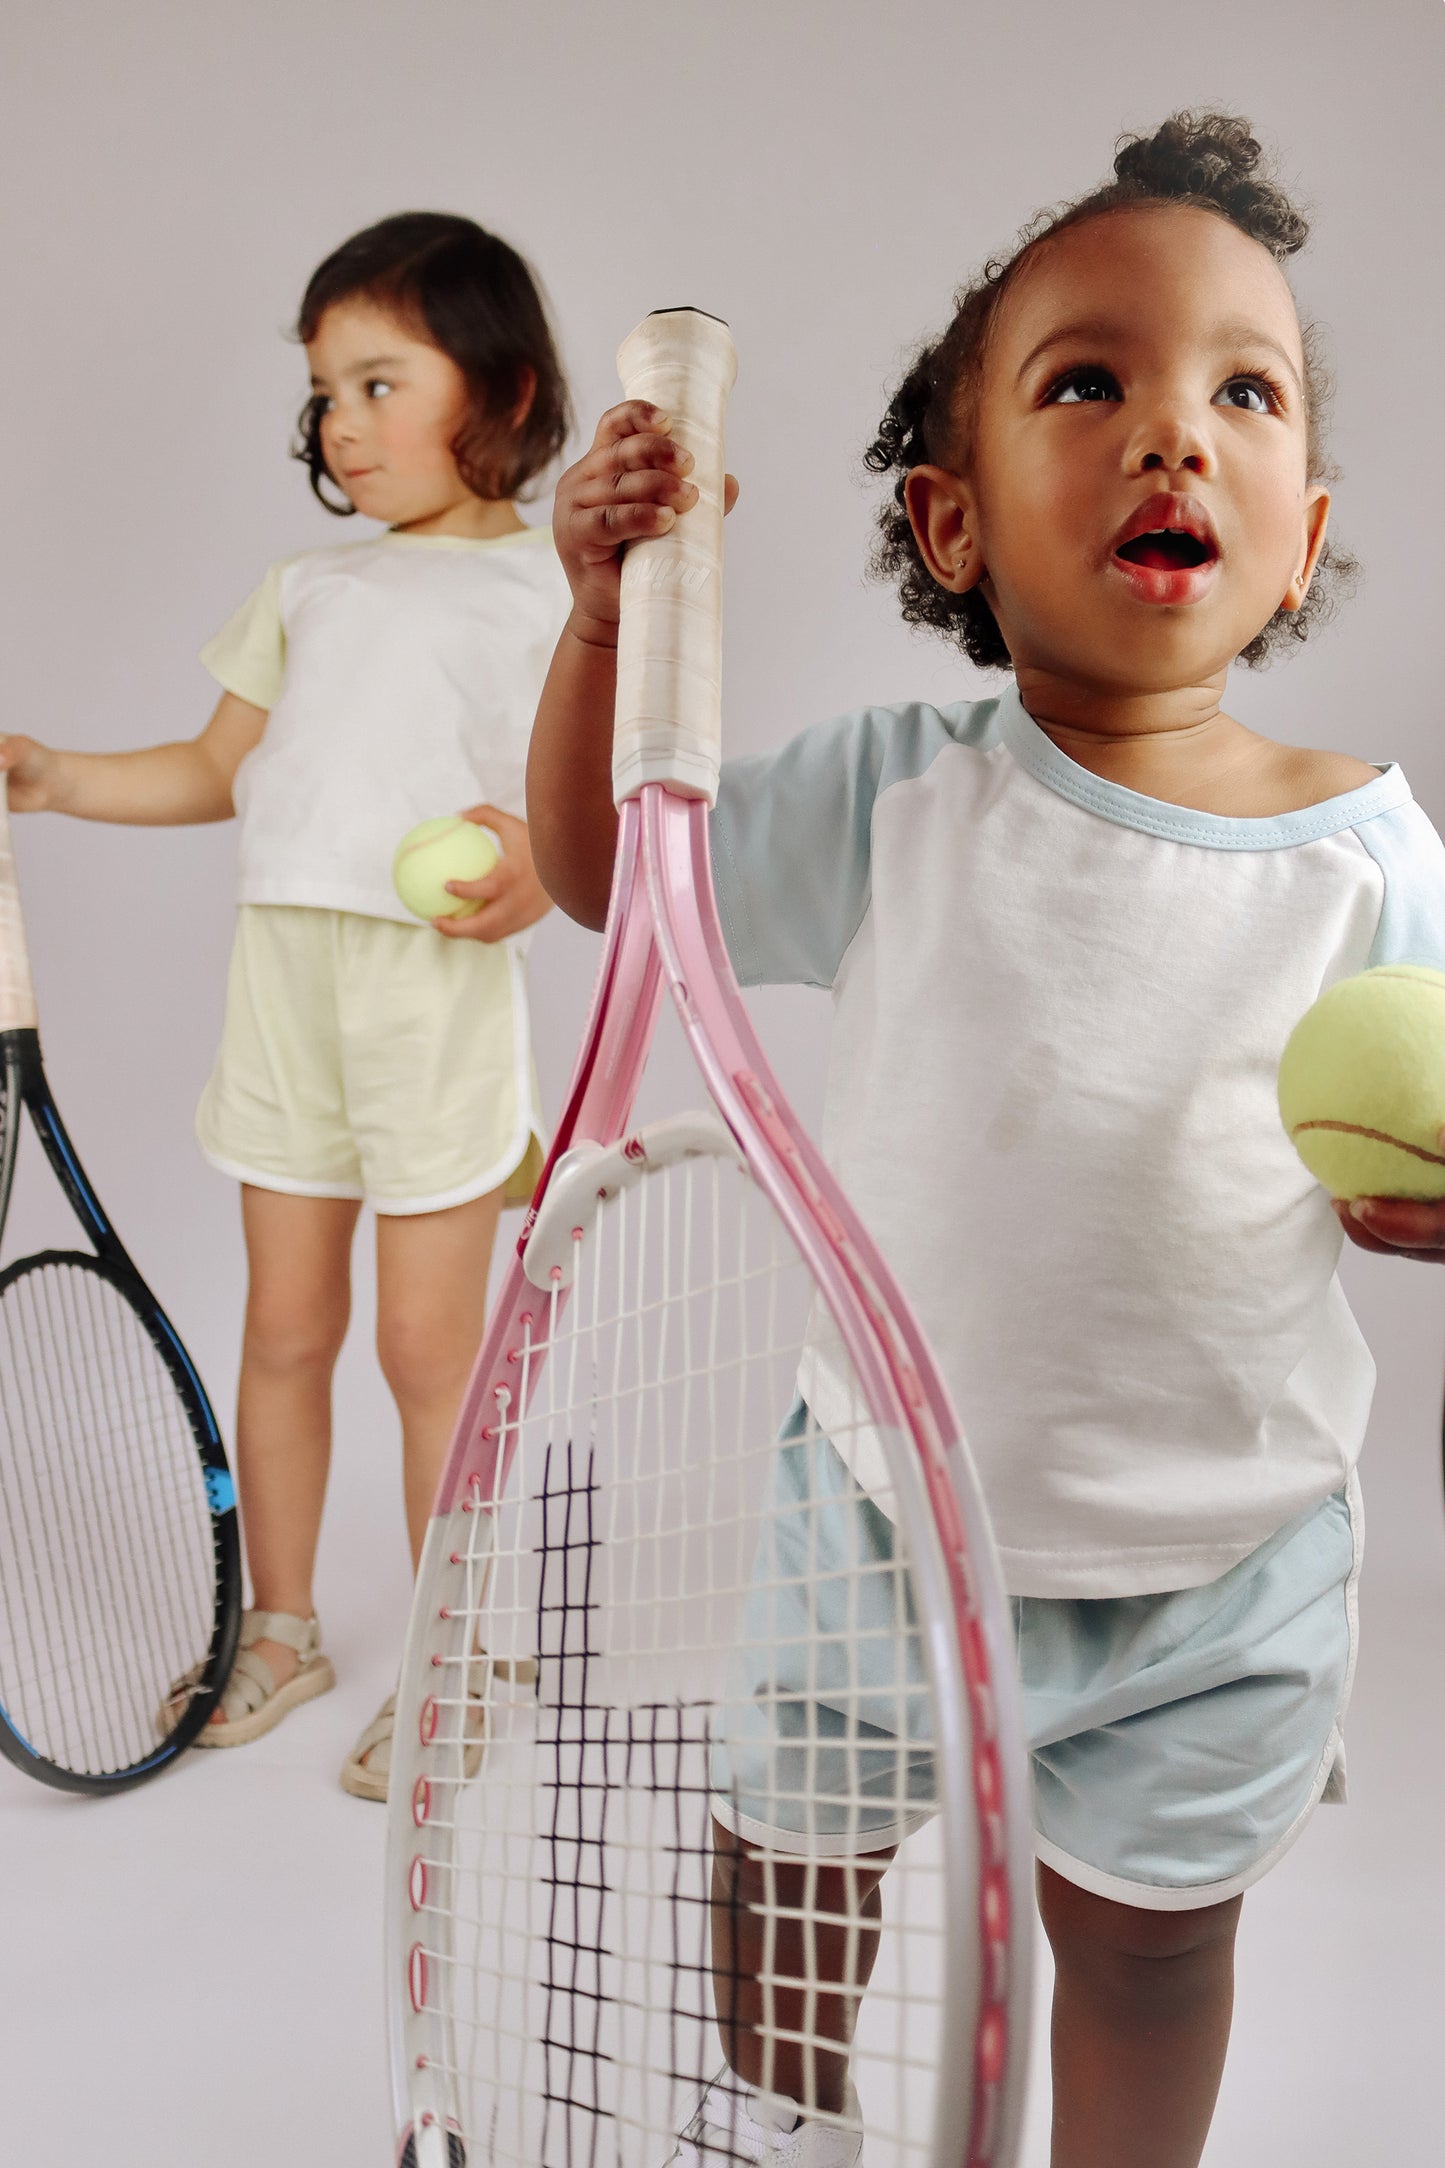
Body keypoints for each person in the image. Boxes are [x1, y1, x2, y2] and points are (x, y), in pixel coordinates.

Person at [524, 112, 1445, 2168]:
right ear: (950, 524)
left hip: (1219, 1559)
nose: (1174, 433)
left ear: (1302, 537)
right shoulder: (897, 798)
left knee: (1148, 1951)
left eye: (1243, 392)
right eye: (1087, 383)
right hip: (875, 1513)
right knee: (785, 1892)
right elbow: (602, 870)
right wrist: (601, 620)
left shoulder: (1369, 850)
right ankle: (796, 2137)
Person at [0, 211, 572, 1801]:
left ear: (504, 391)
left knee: (424, 1349)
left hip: (429, 998)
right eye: (326, 393)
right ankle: (284, 1628)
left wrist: (541, 863)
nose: (341, 424)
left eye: (381, 384)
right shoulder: (306, 585)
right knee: (288, 1329)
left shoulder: (556, 589)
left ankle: (462, 1653)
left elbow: (592, 804)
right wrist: (52, 777)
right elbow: (212, 768)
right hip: (284, 991)